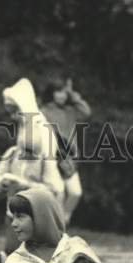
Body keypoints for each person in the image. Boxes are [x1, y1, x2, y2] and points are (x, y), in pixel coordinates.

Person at [0, 78, 64, 254]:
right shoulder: (16, 148)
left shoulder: (41, 128)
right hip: (17, 207)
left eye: (14, 111)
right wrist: (4, 182)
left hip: (38, 206)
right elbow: (4, 170)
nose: (12, 117)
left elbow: (53, 184)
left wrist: (24, 182)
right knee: (12, 250)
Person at [40, 77, 91, 221]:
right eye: (58, 91)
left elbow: (86, 112)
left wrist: (72, 93)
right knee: (58, 194)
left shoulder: (71, 111)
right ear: (52, 93)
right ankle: (56, 226)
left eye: (64, 92)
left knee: (76, 192)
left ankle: (63, 219)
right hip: (52, 158)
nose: (61, 95)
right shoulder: (44, 111)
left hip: (69, 160)